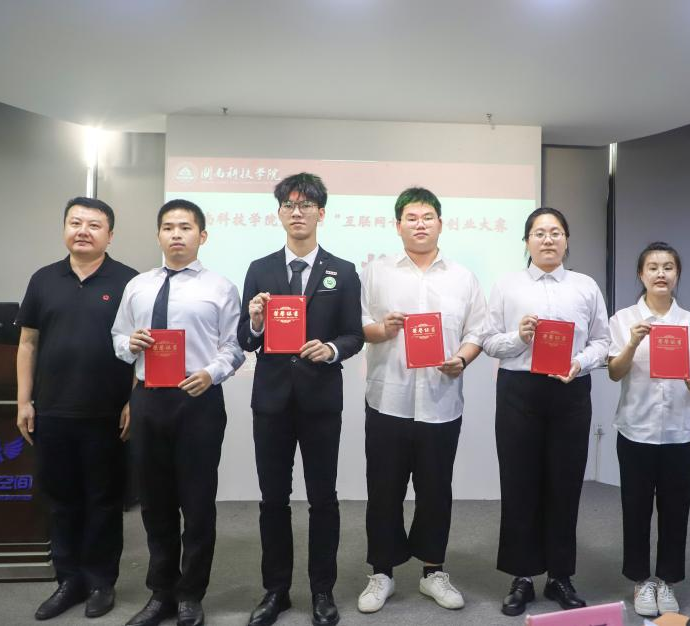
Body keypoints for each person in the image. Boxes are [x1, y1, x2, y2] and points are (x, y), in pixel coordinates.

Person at [239, 173, 364, 626]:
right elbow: (246, 339)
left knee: (323, 499)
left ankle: (322, 591)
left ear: (320, 213)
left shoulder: (343, 271)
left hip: (320, 401)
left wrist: (330, 349)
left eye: (306, 205)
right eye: (289, 205)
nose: (297, 212)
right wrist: (256, 320)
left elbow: (354, 335)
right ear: (279, 214)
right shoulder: (260, 268)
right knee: (272, 499)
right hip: (271, 402)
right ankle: (276, 590)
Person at [112, 199, 245, 626]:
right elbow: (117, 336)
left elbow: (235, 346)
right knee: (155, 503)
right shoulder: (138, 286)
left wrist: (211, 373)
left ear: (201, 236)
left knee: (198, 503)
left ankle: (191, 594)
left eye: (185, 227)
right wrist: (129, 344)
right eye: (168, 227)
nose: (176, 235)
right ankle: (161, 593)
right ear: (158, 235)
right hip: (149, 399)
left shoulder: (220, 287)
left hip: (197, 399)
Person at [356, 187, 486, 615]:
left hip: (440, 400)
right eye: (411, 218)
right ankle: (382, 572)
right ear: (398, 226)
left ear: (440, 224)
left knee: (435, 491)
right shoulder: (375, 272)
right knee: (384, 489)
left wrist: (462, 359)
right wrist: (381, 330)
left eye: (428, 217)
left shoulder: (463, 277)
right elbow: (356, 324)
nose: (420, 224)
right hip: (387, 399)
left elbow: (478, 330)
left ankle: (433, 572)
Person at [481, 207, 610, 616]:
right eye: (539, 233)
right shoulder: (506, 285)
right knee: (519, 483)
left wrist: (580, 363)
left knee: (565, 484)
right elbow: (488, 341)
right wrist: (519, 337)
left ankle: (559, 576)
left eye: (556, 232)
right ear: (527, 242)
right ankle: (521, 577)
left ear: (567, 240)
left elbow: (603, 341)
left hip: (570, 390)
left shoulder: (586, 286)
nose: (548, 239)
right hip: (519, 391)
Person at [15, 197, 137, 621]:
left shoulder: (129, 281)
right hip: (52, 410)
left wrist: (133, 399)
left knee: (104, 501)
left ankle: (101, 581)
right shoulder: (43, 279)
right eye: (75, 222)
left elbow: (141, 348)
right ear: (65, 228)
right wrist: (23, 400)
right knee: (61, 499)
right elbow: (28, 343)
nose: (83, 231)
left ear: (110, 235)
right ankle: (68, 580)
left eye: (94, 225)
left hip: (107, 412)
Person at [607, 242, 690, 618]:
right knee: (636, 508)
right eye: (653, 267)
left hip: (679, 432)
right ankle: (641, 580)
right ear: (641, 274)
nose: (660, 273)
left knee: (675, 510)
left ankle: (668, 580)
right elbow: (614, 372)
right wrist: (633, 342)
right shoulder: (623, 319)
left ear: (677, 275)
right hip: (636, 429)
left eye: (668, 267)